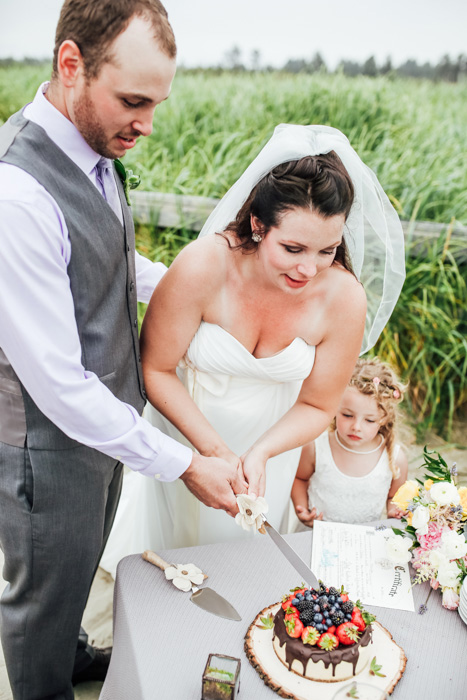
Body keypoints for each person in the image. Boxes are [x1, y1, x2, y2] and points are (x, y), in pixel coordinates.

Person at [0, 1, 246, 698]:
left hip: (106, 429)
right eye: (133, 101)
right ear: (70, 65)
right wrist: (182, 463)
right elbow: (57, 384)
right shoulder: (15, 195)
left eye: (156, 103)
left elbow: (105, 256)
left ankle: (71, 650)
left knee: (74, 572)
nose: (146, 124)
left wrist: (194, 293)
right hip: (45, 447)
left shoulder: (95, 146)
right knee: (40, 592)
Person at [99, 123, 406, 572]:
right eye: (294, 247)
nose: (309, 269)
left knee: (246, 568)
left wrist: (261, 452)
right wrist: (214, 452)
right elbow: (156, 368)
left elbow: (320, 404)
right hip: (189, 432)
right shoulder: (204, 265)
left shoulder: (343, 297)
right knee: (175, 557)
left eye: (327, 250)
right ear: (259, 224)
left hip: (273, 447)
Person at [291, 357, 409, 527]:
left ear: (383, 418)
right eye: (347, 415)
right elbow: (299, 479)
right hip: (315, 534)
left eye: (369, 420)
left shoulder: (394, 458)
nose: (356, 427)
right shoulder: (316, 447)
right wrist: (301, 508)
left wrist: (393, 511)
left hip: (363, 542)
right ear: (335, 407)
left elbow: (394, 497)